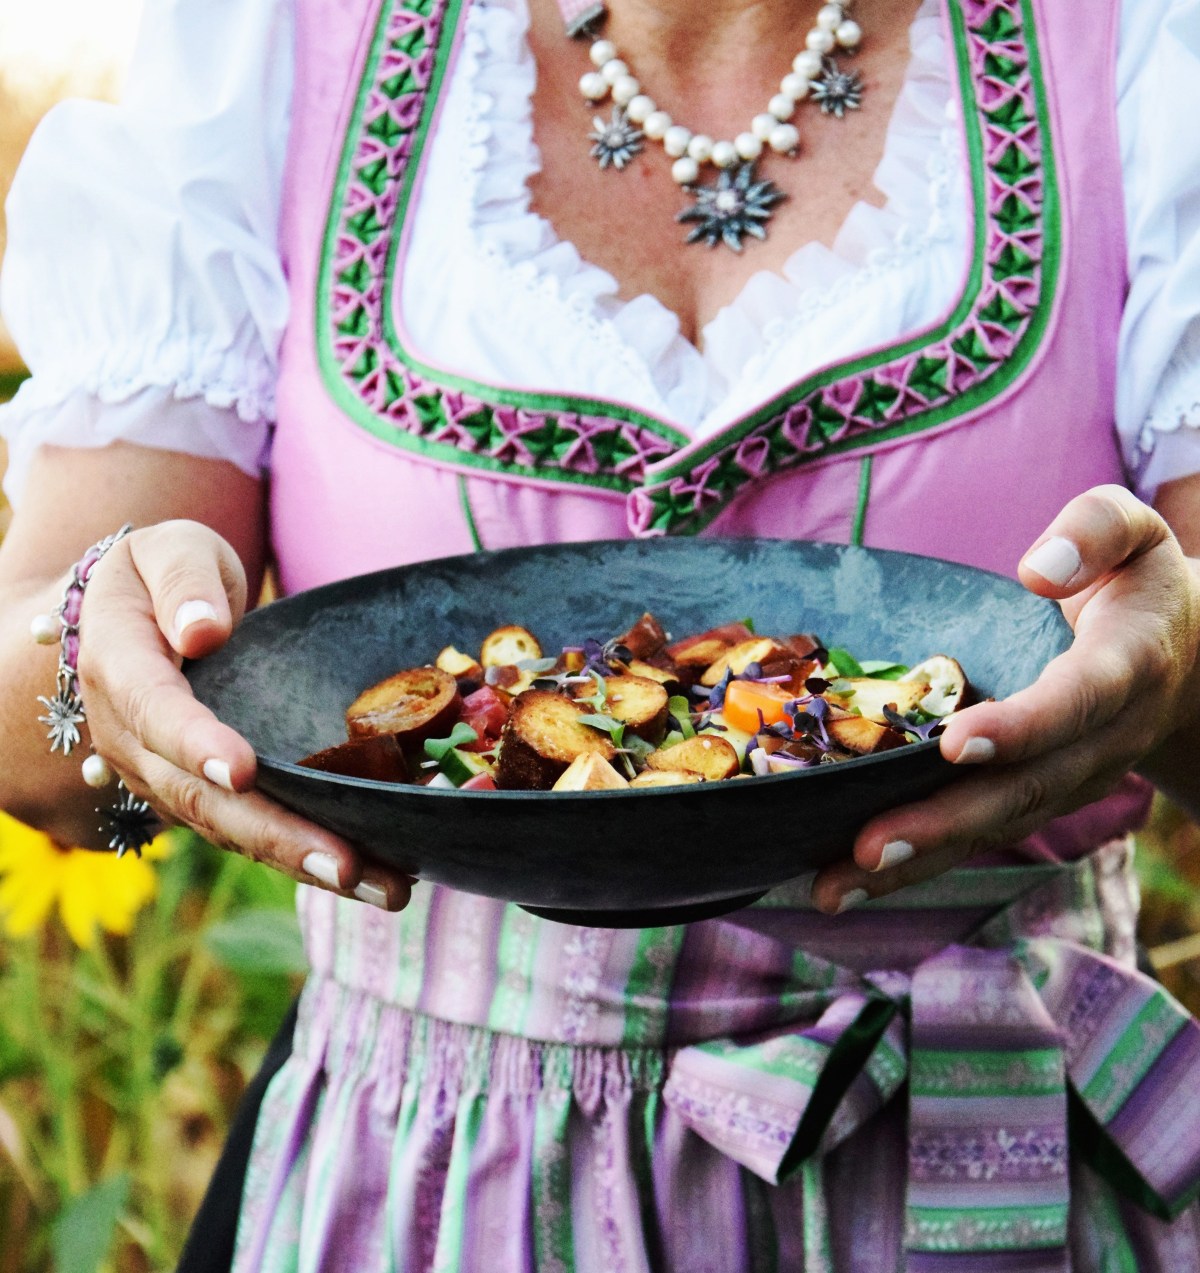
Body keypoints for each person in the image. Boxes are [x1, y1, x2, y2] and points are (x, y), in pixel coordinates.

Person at [2, 0, 1200, 1265]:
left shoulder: (1141, 45)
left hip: (980, 1157)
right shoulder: (280, 43)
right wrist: (103, 667)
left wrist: (1176, 675)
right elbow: (47, 762)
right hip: (436, 1188)